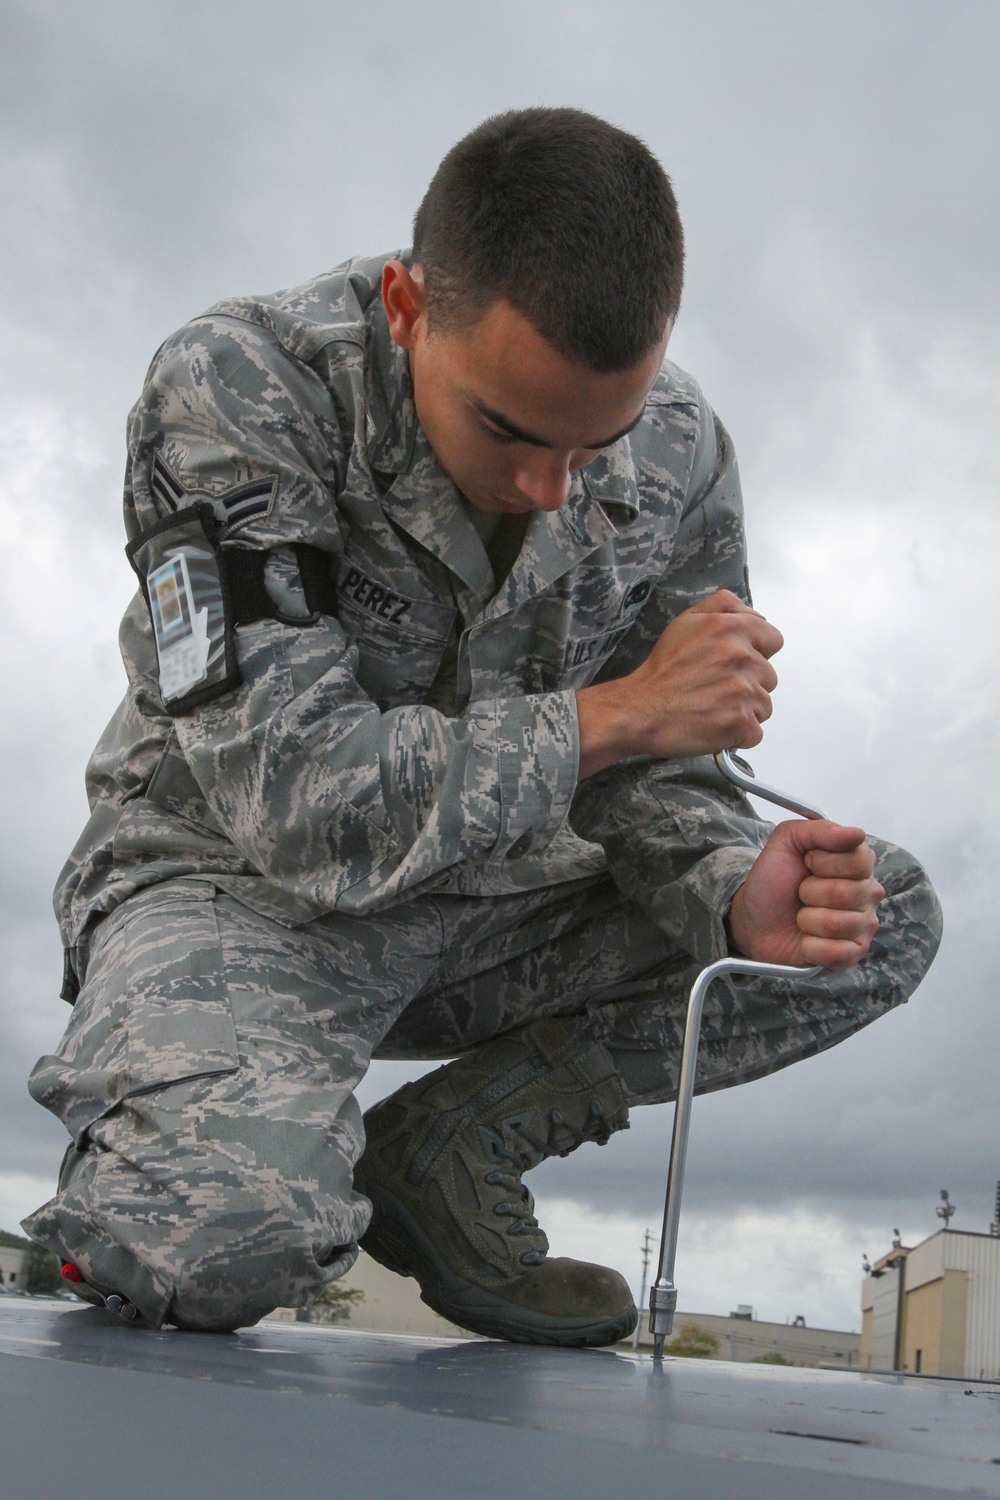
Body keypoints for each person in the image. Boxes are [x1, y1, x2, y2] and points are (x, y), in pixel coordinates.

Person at [23, 108, 941, 1345]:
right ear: (407, 306)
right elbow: (300, 804)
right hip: (235, 895)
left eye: (593, 442)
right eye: (507, 429)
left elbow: (659, 777)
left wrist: (729, 892)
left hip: (492, 907)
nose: (551, 487)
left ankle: (453, 1155)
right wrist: (616, 714)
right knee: (217, 1238)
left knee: (873, 914)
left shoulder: (680, 448)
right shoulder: (245, 387)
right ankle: (167, 1149)